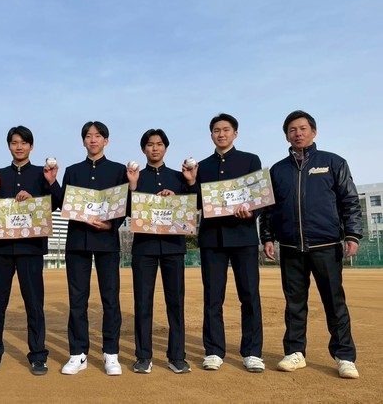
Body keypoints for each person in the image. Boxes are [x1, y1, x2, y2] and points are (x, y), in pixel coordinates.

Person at [260, 110, 362, 379]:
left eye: (303, 128)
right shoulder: (278, 170)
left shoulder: (333, 162)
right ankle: (295, 352)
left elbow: (349, 201)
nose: (298, 133)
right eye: (292, 130)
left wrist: (352, 235)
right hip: (291, 248)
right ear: (286, 136)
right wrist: (267, 237)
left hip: (326, 246)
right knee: (294, 304)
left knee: (334, 303)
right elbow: (269, 209)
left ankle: (344, 356)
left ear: (314, 132)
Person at [0, 126, 62, 376]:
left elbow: (58, 203)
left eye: (23, 142)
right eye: (14, 142)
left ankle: (38, 356)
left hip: (30, 249)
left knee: (34, 303)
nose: (19, 147)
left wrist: (50, 183)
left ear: (31, 146)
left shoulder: (42, 174)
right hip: (0, 249)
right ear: (9, 146)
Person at [196, 113, 265, 372]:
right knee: (213, 297)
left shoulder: (250, 160)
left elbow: (259, 196)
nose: (221, 134)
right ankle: (214, 350)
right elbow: (195, 201)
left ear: (235, 133)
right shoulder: (202, 166)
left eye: (226, 129)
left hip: (243, 237)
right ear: (211, 135)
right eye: (216, 130)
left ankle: (252, 352)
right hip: (212, 239)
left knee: (250, 295)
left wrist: (252, 212)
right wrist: (190, 182)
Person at [126, 129, 198, 374]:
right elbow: (126, 211)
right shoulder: (135, 177)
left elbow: (194, 207)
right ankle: (143, 356)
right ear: (143, 149)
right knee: (142, 302)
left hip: (173, 247)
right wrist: (133, 186)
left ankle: (177, 356)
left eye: (159, 144)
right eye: (149, 144)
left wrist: (184, 188)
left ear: (166, 147)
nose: (154, 148)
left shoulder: (179, 177)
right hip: (143, 248)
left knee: (175, 302)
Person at [59, 121, 127, 376]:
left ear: (106, 141)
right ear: (83, 141)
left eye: (98, 136)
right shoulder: (72, 171)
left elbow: (126, 205)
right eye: (88, 136)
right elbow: (64, 203)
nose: (93, 140)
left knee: (110, 299)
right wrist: (52, 182)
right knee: (78, 300)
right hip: (78, 241)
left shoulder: (119, 171)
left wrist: (111, 224)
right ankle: (78, 353)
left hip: (107, 241)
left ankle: (111, 353)